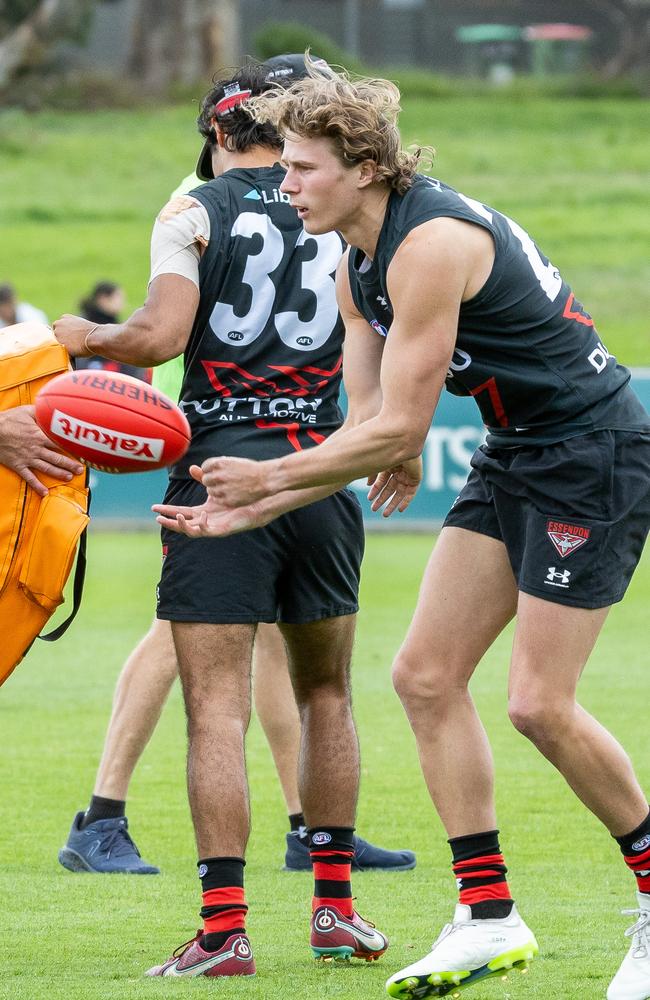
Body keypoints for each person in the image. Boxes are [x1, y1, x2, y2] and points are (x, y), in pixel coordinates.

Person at [152, 62, 650, 999]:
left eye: (301, 168)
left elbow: (396, 430)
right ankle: (487, 916)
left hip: (593, 451)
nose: (283, 183)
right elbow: (369, 421)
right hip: (516, 448)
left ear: (365, 168)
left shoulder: (428, 244)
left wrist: (271, 478)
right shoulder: (355, 259)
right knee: (423, 675)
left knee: (540, 703)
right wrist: (256, 503)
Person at [52, 59, 426, 978]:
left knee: (216, 714)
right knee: (329, 693)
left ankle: (224, 930)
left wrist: (87, 338)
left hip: (222, 470)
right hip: (322, 474)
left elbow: (161, 336)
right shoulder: (351, 208)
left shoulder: (195, 210)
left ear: (220, 136)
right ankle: (336, 910)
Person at [74, 281, 151, 382]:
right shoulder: (85, 325)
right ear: (103, 299)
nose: (123, 304)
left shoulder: (114, 323)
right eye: (118, 298)